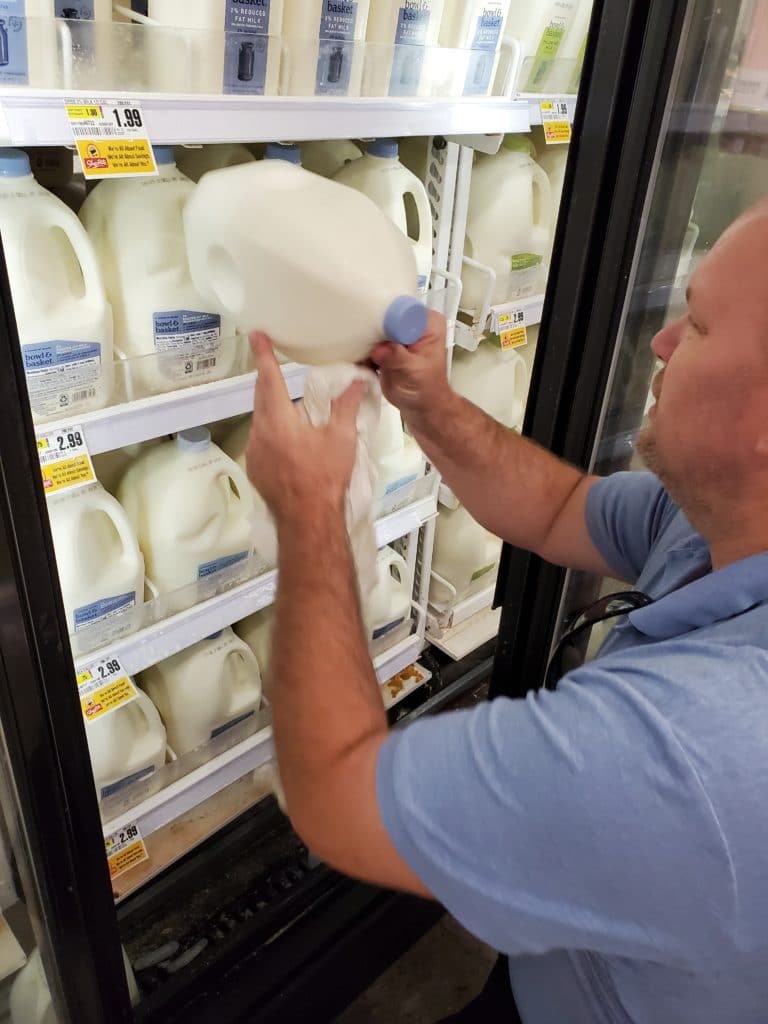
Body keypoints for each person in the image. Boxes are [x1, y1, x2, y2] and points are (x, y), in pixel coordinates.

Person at [243, 199, 768, 1024]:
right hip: (589, 970)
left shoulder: (699, 751)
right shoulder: (721, 526)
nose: (661, 342)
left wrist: (311, 515)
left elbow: (339, 800)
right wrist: (430, 403)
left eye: (697, 328)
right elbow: (561, 508)